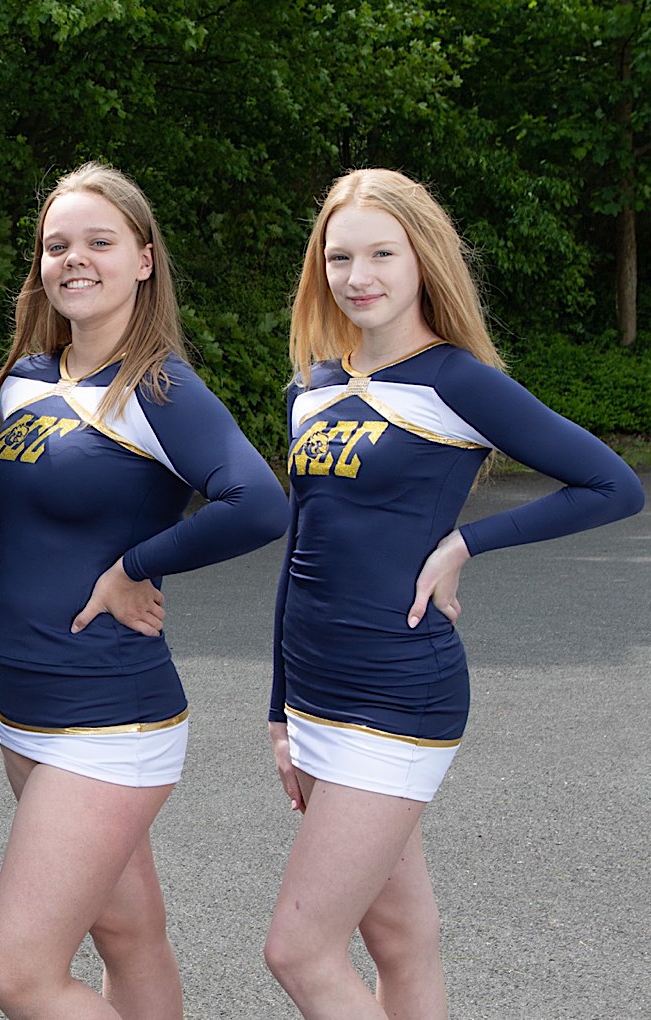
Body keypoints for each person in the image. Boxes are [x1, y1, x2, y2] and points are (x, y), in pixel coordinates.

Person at [263, 168, 645, 1018]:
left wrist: (467, 541)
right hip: (318, 697)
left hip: (397, 691)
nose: (358, 277)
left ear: (423, 259)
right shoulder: (313, 387)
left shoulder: (456, 382)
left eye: (381, 255)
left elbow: (613, 486)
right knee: (400, 938)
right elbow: (302, 552)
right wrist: (281, 715)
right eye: (339, 257)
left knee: (298, 950)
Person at [0, 163, 287, 1019]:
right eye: (57, 244)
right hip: (23, 701)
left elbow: (258, 502)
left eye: (99, 242)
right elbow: (26, 511)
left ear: (143, 259)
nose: (76, 258)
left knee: (20, 971)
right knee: (128, 933)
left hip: (109, 713)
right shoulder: (25, 379)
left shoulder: (158, 386)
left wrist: (134, 568)